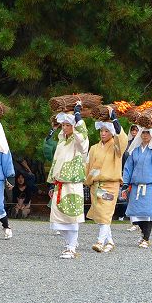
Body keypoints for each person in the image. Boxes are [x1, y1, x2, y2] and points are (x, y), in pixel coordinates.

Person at [48, 104, 89, 259]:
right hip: (59, 184)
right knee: (58, 219)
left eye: (68, 125)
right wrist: (52, 183)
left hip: (72, 183)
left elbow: (83, 136)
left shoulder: (79, 142)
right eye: (63, 125)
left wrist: (78, 115)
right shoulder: (61, 140)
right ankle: (71, 243)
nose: (64, 128)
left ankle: (71, 247)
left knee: (72, 217)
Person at [85, 107, 128, 252]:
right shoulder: (93, 148)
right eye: (101, 131)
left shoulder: (116, 147)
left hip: (110, 184)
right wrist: (87, 181)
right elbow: (88, 166)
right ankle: (110, 241)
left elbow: (122, 141)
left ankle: (99, 241)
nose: (103, 133)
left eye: (106, 131)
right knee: (101, 215)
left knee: (106, 212)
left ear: (112, 132)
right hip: (95, 185)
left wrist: (115, 119)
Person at [122, 115, 152, 248]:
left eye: (148, 132)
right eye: (143, 132)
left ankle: (146, 238)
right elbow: (128, 167)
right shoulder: (135, 151)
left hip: (150, 186)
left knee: (147, 214)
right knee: (137, 215)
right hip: (136, 186)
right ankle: (143, 235)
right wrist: (126, 183)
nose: (145, 135)